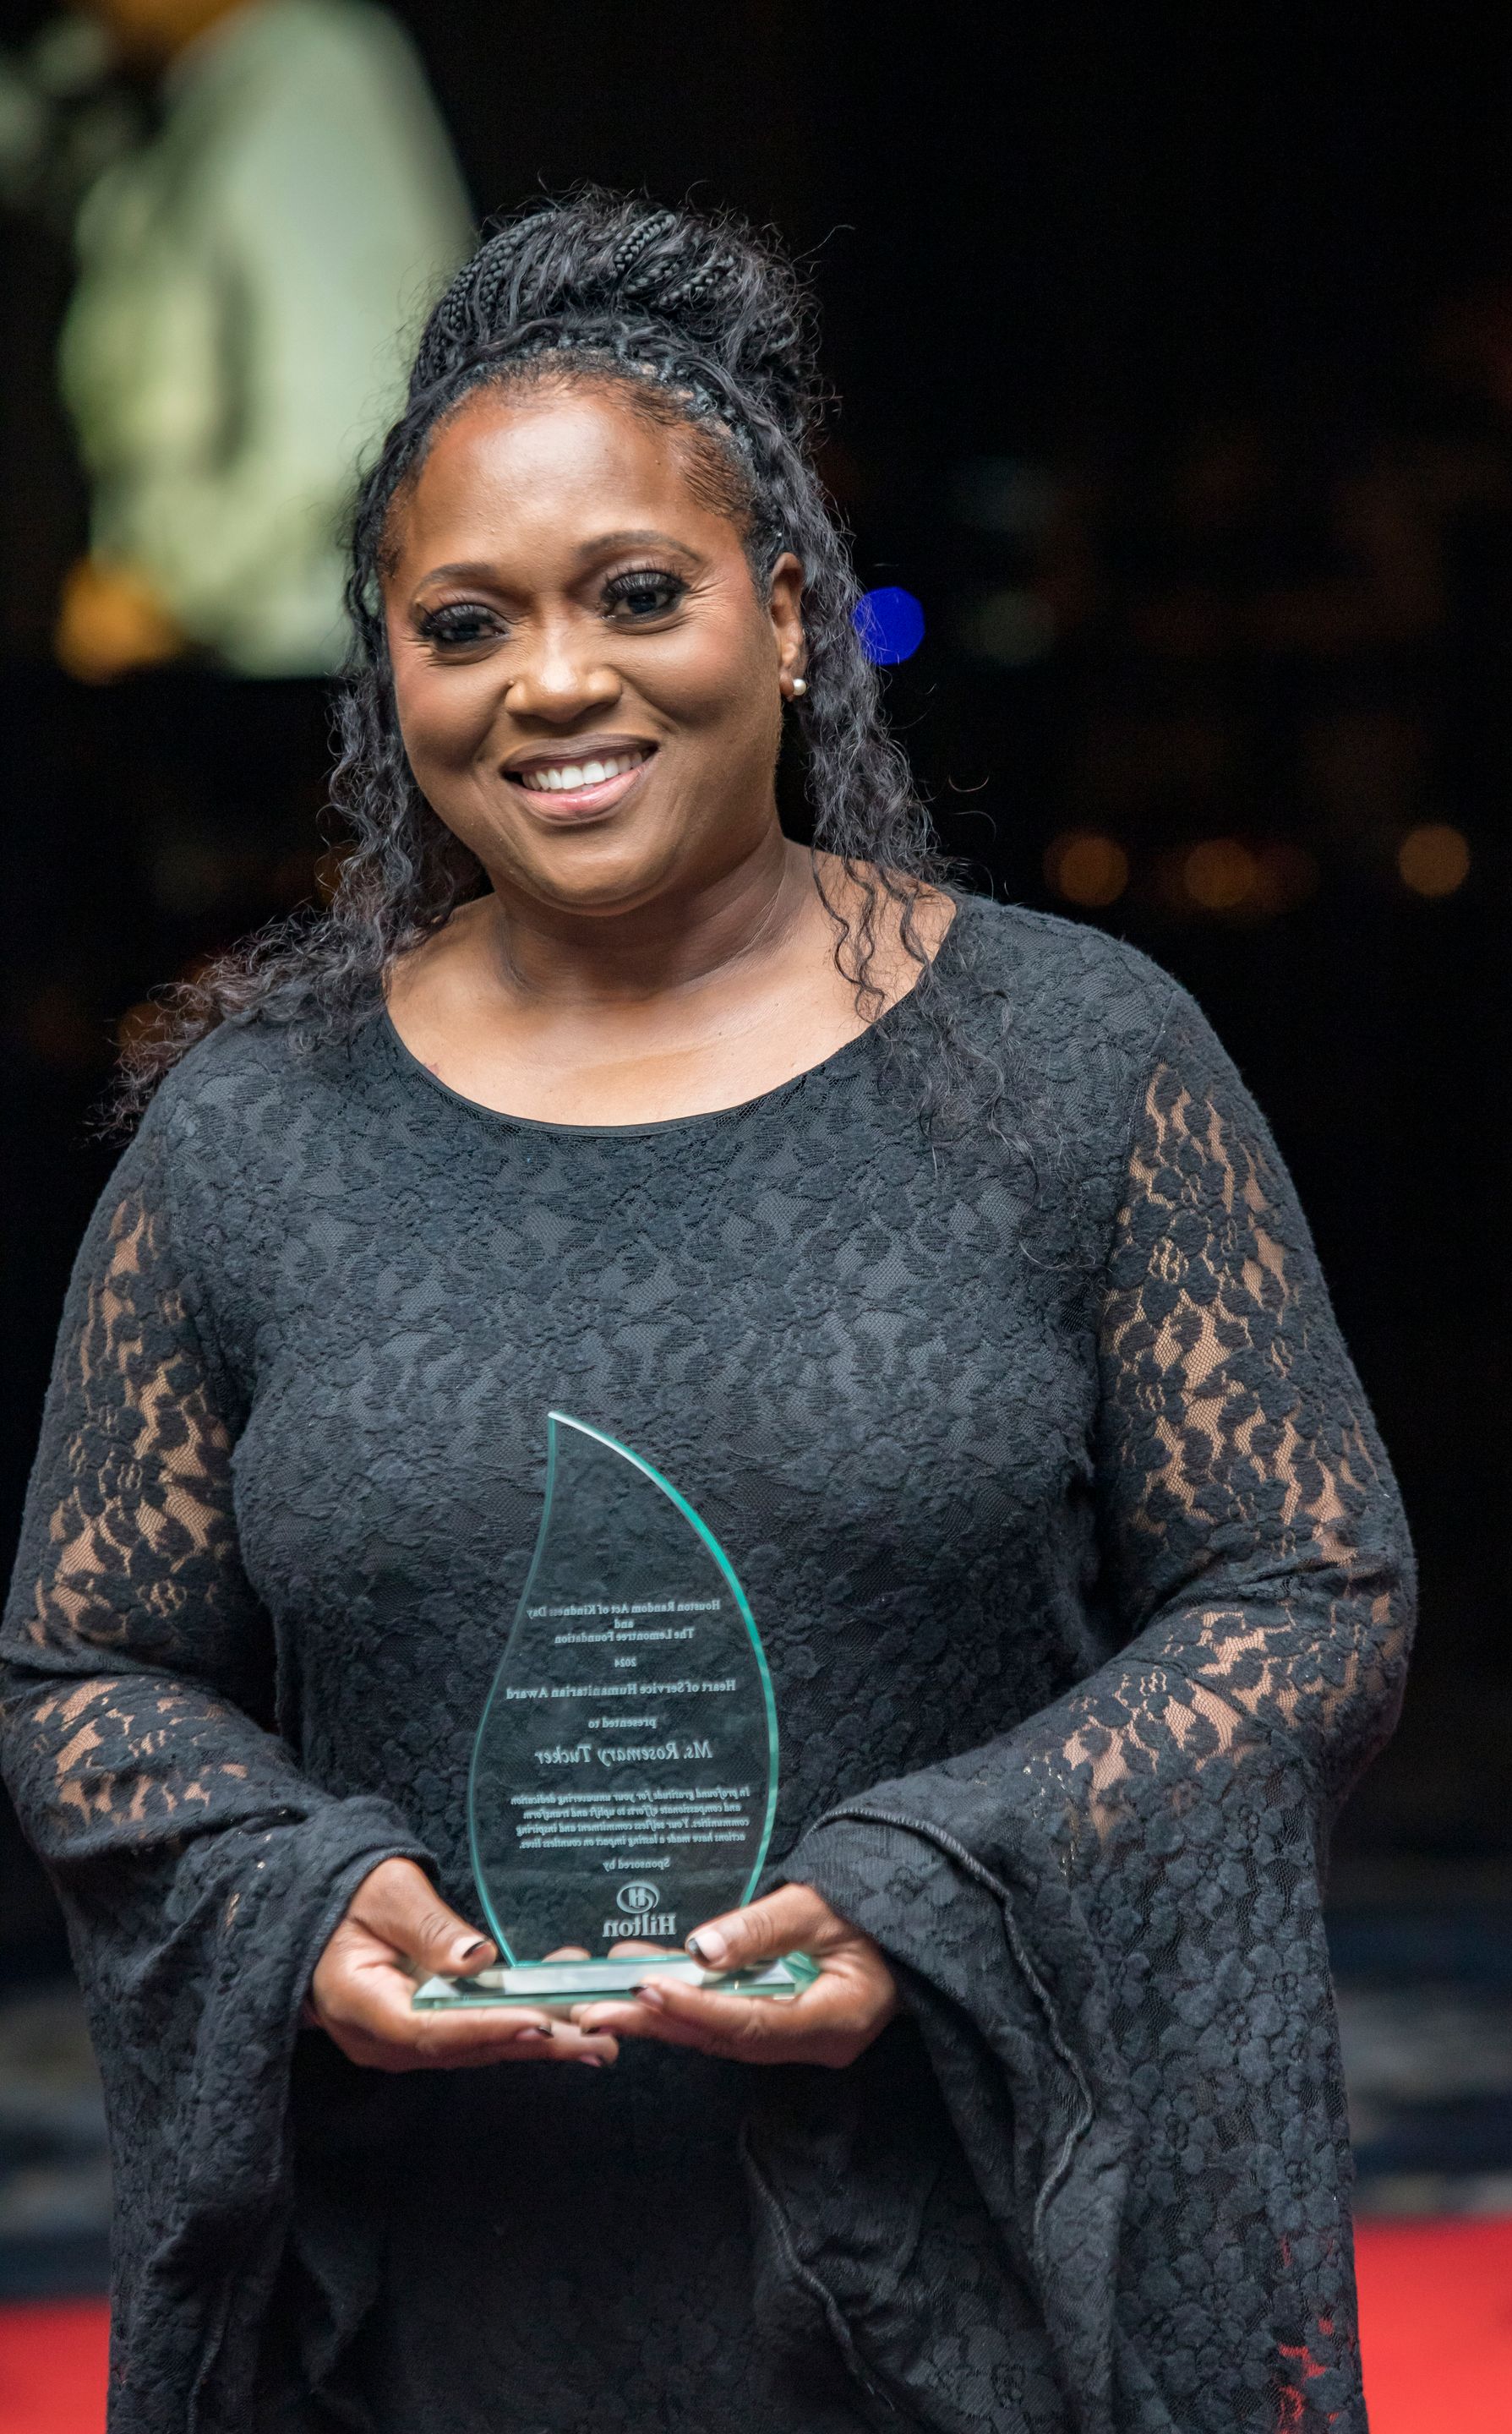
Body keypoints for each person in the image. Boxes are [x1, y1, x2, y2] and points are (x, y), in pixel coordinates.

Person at [0, 190, 1414, 2433]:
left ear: (780, 613)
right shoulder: (250, 1138)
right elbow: (91, 1670)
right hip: (450, 2298)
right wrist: (305, 1894)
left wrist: (939, 1886)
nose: (555, 682)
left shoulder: (1077, 1064)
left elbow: (1306, 1585)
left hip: (964, 2280)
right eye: (466, 624)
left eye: (633, 596)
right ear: (389, 668)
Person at [53, 0, 469, 681]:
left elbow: (356, 402)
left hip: (312, 672)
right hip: (216, 664)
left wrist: (169, 590)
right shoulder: (185, 101)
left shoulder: (308, 75)